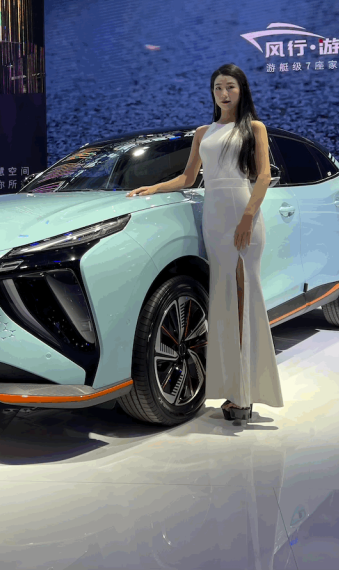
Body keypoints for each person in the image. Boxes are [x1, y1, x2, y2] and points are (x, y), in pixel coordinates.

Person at [127, 63, 283, 423]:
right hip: (214, 219)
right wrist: (154, 187)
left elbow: (263, 176)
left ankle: (245, 393)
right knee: (224, 302)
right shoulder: (203, 132)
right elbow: (188, 177)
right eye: (218, 88)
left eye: (230, 87)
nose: (224, 94)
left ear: (242, 90)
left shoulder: (254, 128)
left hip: (243, 216)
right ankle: (232, 387)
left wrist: (248, 217)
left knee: (245, 301)